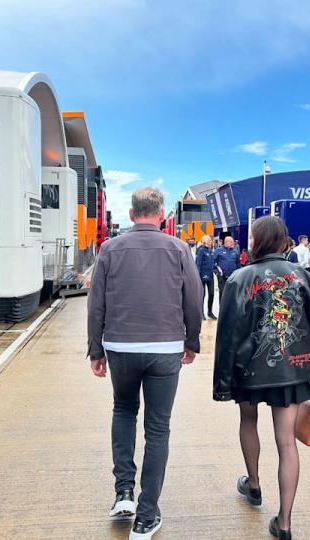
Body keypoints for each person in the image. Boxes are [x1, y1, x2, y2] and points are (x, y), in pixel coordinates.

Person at [87, 187, 203, 540]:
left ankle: (124, 493)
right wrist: (192, 340)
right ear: (161, 212)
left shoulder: (109, 249)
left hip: (120, 345)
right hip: (165, 347)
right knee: (158, 427)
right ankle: (146, 515)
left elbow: (96, 303)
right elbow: (194, 299)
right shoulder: (179, 249)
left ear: (132, 212)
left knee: (123, 410)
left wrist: (96, 349)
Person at [213, 215, 310, 540]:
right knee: (286, 442)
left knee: (248, 420)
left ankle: (254, 485)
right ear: (283, 241)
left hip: (249, 368)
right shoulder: (302, 276)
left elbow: (227, 335)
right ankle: (285, 522)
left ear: (255, 241)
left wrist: (223, 381)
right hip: (292, 367)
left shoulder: (239, 278)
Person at [195, 235, 217, 320]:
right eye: (210, 240)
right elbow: (198, 264)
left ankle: (210, 312)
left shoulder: (211, 251)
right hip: (202, 276)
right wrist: (197, 275)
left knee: (211, 294)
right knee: (202, 295)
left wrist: (215, 271)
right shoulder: (201, 251)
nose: (211, 241)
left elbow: (212, 263)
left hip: (210, 276)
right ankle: (201, 313)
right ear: (205, 241)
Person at [213, 236, 241, 302]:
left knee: (232, 294)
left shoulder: (235, 252)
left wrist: (239, 273)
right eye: (231, 242)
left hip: (233, 277)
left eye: (233, 241)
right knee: (222, 293)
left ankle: (230, 310)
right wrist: (216, 272)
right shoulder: (218, 250)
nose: (233, 243)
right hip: (222, 277)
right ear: (226, 242)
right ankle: (222, 311)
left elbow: (238, 264)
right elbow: (213, 262)